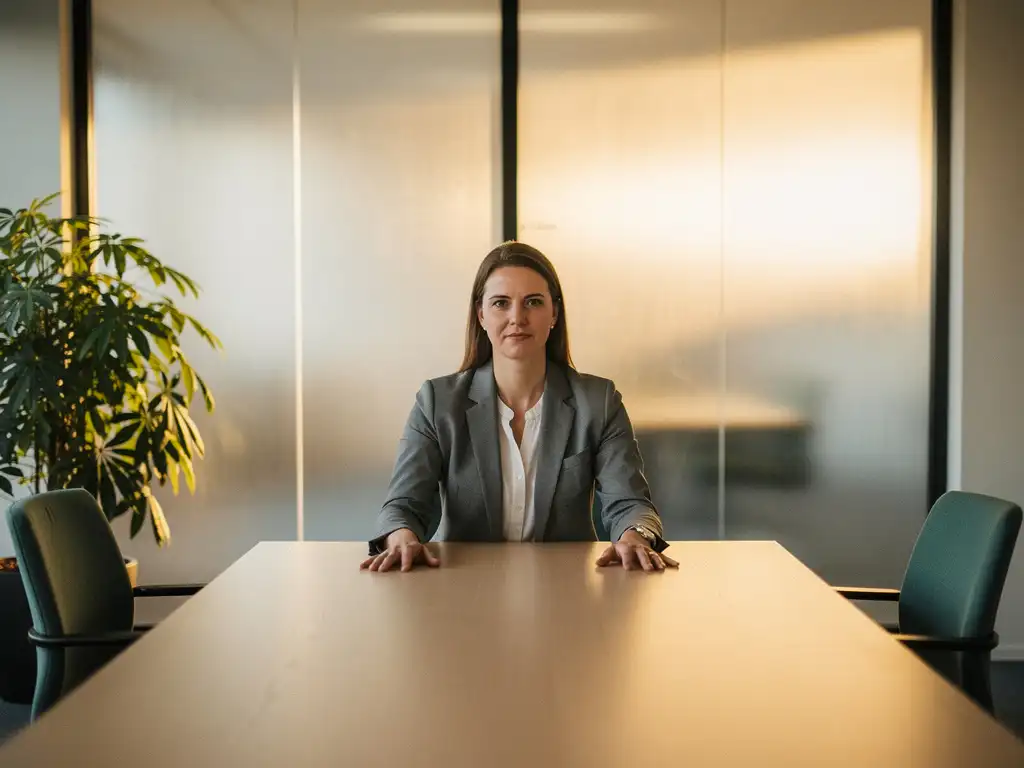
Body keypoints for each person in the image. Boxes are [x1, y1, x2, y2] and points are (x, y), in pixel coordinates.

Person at [360, 241, 677, 573]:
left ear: (554, 313)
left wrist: (634, 537)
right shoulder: (437, 402)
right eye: (501, 303)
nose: (517, 318)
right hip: (461, 581)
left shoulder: (599, 401)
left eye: (533, 302)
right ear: (481, 314)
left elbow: (630, 504)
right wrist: (402, 537)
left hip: (566, 585)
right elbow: (403, 505)